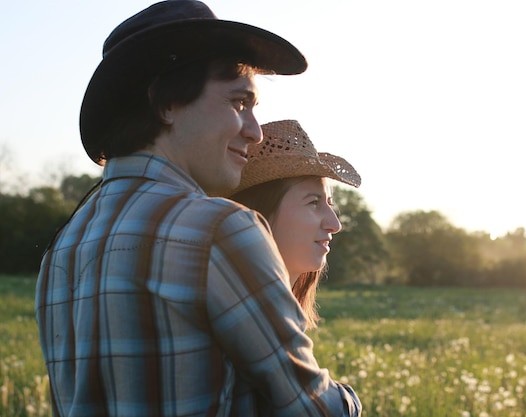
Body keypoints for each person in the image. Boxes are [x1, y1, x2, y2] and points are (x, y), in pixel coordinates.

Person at [35, 2, 361, 417]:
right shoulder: (218, 229)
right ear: (164, 102)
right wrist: (351, 399)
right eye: (238, 102)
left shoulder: (62, 247)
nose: (255, 131)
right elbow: (314, 410)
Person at [223, 120, 361, 330]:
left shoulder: (278, 314)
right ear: (259, 215)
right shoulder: (248, 321)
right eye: (313, 202)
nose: (335, 224)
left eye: (330, 203)